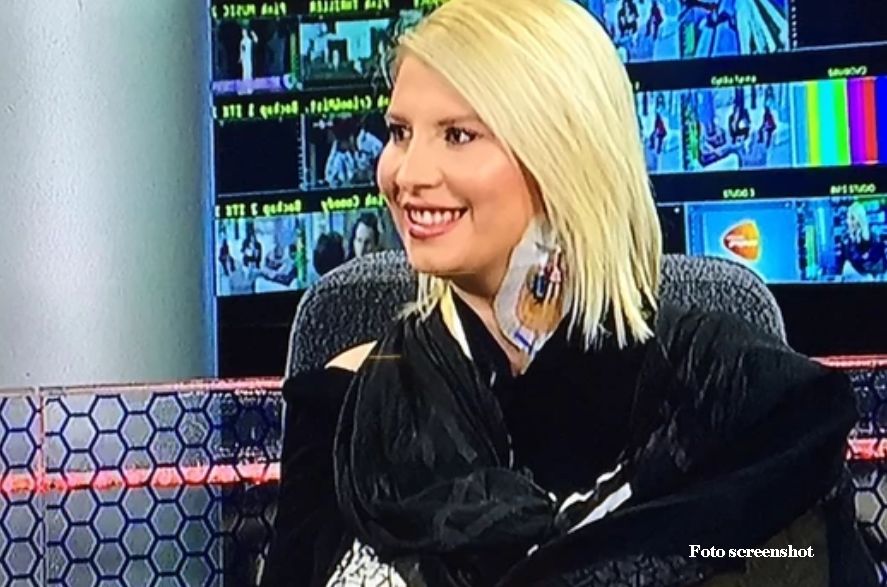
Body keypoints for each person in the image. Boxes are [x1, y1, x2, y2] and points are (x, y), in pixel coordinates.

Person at [262, 1, 877, 585]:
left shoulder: (736, 402)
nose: (407, 173)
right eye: (400, 132)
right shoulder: (350, 404)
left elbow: (785, 555)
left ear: (561, 154)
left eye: (458, 135)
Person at [840, 201, 886, 280]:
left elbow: (862, 259)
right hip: (861, 273)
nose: (848, 221)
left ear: (858, 220)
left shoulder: (866, 236)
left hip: (870, 274)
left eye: (851, 218)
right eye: (848, 218)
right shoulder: (848, 237)